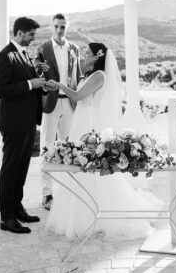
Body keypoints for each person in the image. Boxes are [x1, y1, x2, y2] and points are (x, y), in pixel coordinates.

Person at [45, 42, 163, 239]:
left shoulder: (100, 76)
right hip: (80, 120)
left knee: (88, 166)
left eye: (88, 53)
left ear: (97, 56)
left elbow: (77, 95)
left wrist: (59, 85)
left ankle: (95, 212)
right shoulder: (90, 75)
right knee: (79, 166)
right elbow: (77, 99)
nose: (84, 56)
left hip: (89, 122)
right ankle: (78, 212)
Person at [0, 16, 54, 234]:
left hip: (28, 121)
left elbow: (30, 84)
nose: (33, 38)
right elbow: (1, 90)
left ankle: (17, 209)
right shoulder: (5, 56)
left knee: (21, 169)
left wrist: (39, 78)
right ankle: (6, 218)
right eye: (30, 34)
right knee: (10, 170)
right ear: (19, 33)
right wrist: (31, 83)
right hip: (13, 123)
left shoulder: (25, 55)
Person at [38, 13, 81, 210]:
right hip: (51, 103)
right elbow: (37, 75)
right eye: (56, 26)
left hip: (69, 104)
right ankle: (47, 193)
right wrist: (47, 86)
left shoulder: (75, 49)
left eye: (62, 27)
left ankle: (65, 191)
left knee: (68, 146)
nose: (59, 30)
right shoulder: (43, 49)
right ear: (51, 27)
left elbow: (77, 76)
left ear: (67, 27)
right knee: (46, 147)